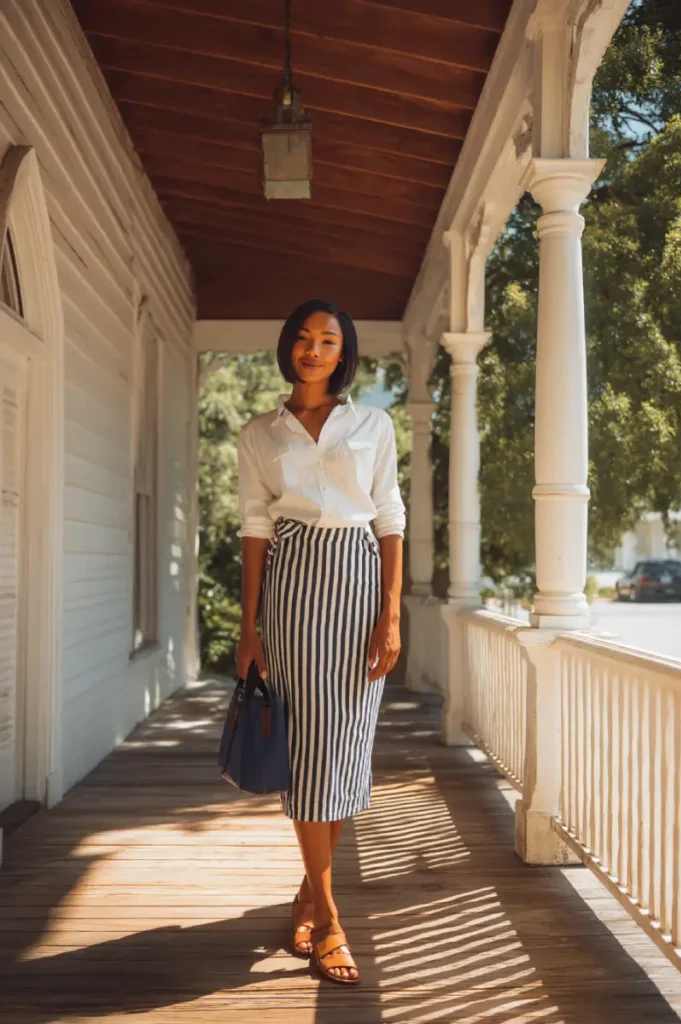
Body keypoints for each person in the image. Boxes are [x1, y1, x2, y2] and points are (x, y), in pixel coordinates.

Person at [235, 299, 406, 986]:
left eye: (327, 340)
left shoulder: (372, 423)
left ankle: (308, 890)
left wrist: (390, 613)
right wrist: (248, 629)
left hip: (360, 581)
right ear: (288, 348)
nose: (313, 350)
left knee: (344, 741)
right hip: (295, 581)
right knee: (307, 745)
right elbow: (254, 529)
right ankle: (331, 917)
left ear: (344, 352)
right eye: (303, 339)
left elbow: (388, 514)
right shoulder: (260, 432)